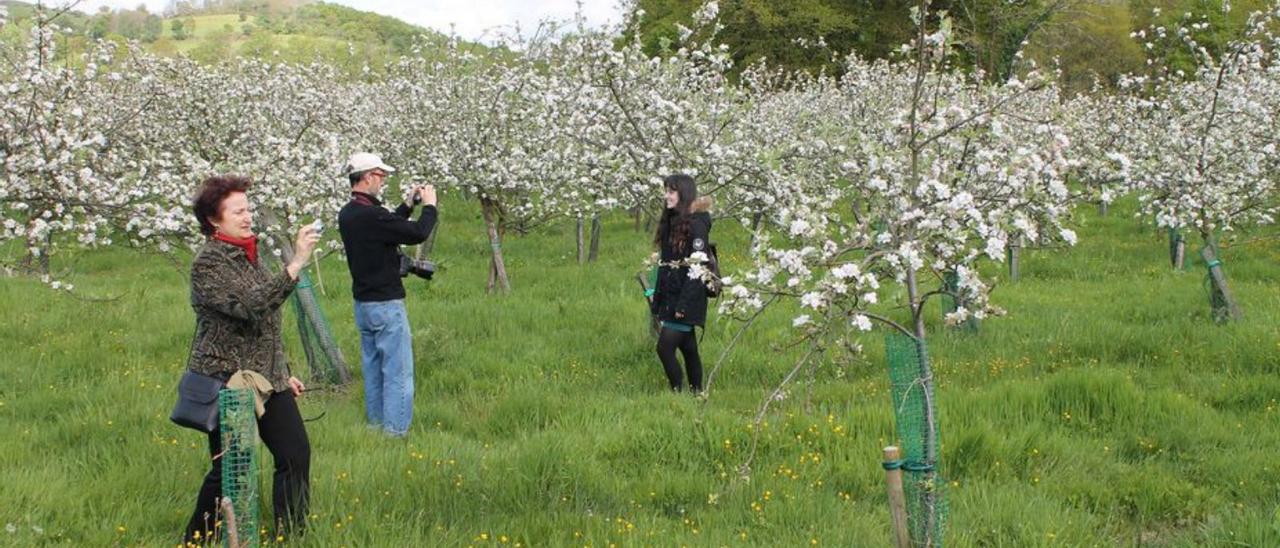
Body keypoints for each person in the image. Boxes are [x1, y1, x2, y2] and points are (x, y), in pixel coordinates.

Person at [183, 175, 320, 544]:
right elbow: (251, 307)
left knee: (294, 455)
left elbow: (268, 326)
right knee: (229, 468)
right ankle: (196, 540)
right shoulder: (209, 265)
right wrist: (295, 265)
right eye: (237, 210)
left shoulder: (248, 253)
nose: (247, 217)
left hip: (266, 379)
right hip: (227, 381)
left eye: (248, 209)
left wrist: (283, 372)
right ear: (214, 218)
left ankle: (290, 536)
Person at [337, 152, 437, 437]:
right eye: (380, 177)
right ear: (368, 177)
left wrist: (407, 205)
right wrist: (430, 207)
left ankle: (376, 426)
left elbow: (386, 226)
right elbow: (417, 233)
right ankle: (395, 434)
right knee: (398, 372)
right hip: (386, 304)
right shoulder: (371, 215)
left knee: (373, 370)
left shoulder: (350, 212)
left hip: (363, 304)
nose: (382, 183)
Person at [651, 174, 713, 393]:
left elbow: (697, 271)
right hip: (671, 296)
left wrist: (683, 305)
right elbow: (666, 266)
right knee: (688, 348)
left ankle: (677, 391)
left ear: (683, 194)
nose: (666, 196)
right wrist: (658, 299)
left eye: (671, 191)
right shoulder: (672, 222)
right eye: (666, 190)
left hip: (686, 298)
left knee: (665, 348)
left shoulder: (697, 226)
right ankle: (697, 392)